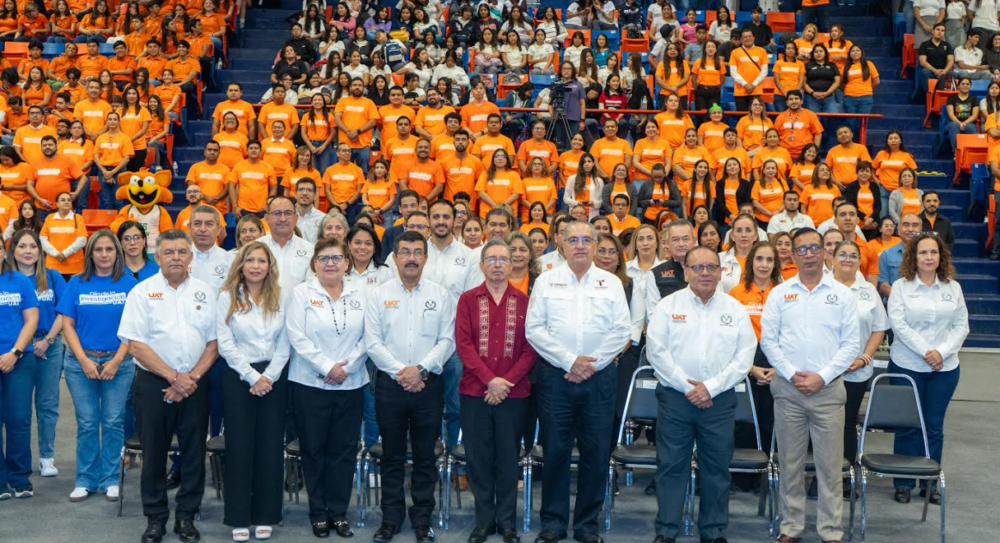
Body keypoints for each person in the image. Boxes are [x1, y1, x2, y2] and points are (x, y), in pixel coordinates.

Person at [525, 221, 630, 543]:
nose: (581, 245)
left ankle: (587, 524)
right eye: (574, 239)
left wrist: (590, 364)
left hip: (599, 380)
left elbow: (622, 330)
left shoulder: (610, 283)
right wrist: (570, 361)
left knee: (596, 453)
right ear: (562, 244)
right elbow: (534, 329)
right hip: (557, 378)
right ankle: (554, 523)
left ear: (596, 246)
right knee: (555, 451)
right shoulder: (546, 281)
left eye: (587, 239)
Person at [646, 244, 756, 543]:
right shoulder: (668, 306)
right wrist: (688, 386)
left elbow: (745, 356)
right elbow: (657, 352)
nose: (705, 273)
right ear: (685, 272)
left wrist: (711, 387)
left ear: (721, 272)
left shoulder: (734, 309)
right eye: (698, 267)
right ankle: (667, 531)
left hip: (719, 402)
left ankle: (713, 531)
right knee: (670, 467)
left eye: (711, 267)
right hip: (675, 400)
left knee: (717, 470)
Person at [117, 229, 219, 543]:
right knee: (154, 453)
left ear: (190, 257)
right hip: (152, 385)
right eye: (169, 252)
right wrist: (174, 377)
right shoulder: (142, 292)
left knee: (193, 453)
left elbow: (213, 344)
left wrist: (189, 379)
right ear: (157, 257)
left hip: (195, 383)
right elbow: (136, 345)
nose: (176, 257)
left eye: (181, 252)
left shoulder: (205, 291)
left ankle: (186, 517)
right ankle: (156, 518)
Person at [760, 228, 861, 543]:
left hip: (828, 392)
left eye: (813, 248)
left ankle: (830, 531)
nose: (807, 254)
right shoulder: (779, 293)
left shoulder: (842, 295)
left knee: (829, 468)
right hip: (789, 392)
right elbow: (769, 341)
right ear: (792, 255)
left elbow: (851, 344)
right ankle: (791, 527)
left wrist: (823, 376)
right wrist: (791, 374)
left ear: (824, 253)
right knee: (790, 464)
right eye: (800, 249)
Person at [364, 230, 454, 543]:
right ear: (395, 256)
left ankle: (422, 519)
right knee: (392, 456)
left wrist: (421, 369)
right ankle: (390, 519)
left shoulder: (440, 295)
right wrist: (402, 372)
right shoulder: (378, 294)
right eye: (405, 251)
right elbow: (372, 342)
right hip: (390, 385)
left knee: (425, 457)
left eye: (418, 252)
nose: (412, 257)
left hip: (428, 385)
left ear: (426, 258)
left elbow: (447, 340)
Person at [284, 237, 369, 539]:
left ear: (347, 262)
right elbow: (296, 335)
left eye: (336, 258)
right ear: (314, 264)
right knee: (314, 450)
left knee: (344, 452)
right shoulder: (301, 293)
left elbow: (370, 336)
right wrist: (326, 366)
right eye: (324, 258)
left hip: (351, 383)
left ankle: (339, 512)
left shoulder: (363, 293)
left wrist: (345, 368)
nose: (330, 263)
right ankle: (318, 513)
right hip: (309, 384)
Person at [456, 240, 536, 543]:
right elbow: (464, 346)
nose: (498, 264)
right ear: (482, 265)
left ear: (512, 264)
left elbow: (530, 350)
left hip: (513, 395)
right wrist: (490, 380)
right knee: (478, 460)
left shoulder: (525, 301)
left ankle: (506, 523)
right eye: (492, 259)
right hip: (475, 392)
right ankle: (484, 521)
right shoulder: (467, 300)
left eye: (504, 258)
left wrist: (504, 383)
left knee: (507, 459)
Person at [54, 229, 136, 503]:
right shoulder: (76, 282)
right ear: (90, 254)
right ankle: (85, 479)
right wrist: (84, 360)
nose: (103, 254)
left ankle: (111, 478)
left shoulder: (129, 284)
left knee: (113, 422)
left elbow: (133, 329)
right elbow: (68, 324)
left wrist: (115, 361)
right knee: (88, 422)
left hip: (119, 362)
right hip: (81, 363)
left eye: (109, 249)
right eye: (98, 249)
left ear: (117, 253)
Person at [886, 233, 968, 505]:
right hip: (907, 365)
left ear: (941, 256)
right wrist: (926, 352)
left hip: (944, 369)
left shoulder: (952, 288)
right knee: (908, 427)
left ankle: (930, 482)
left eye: (934, 252)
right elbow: (898, 324)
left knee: (933, 427)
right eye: (923, 252)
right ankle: (904, 482)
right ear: (914, 256)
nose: (929, 257)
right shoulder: (901, 286)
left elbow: (961, 326)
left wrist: (940, 353)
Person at [830, 239, 887, 499]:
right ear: (832, 258)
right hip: (825, 372)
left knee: (846, 422)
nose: (848, 259)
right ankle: (820, 476)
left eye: (854, 255)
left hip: (856, 370)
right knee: (819, 424)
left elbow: (879, 328)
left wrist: (864, 357)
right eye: (843, 254)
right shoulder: (820, 287)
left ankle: (844, 478)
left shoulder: (868, 290)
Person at [7, 229, 66, 480]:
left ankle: (46, 458)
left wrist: (48, 340)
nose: (28, 251)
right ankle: (17, 461)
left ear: (40, 251)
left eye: (33, 246)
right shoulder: (7, 279)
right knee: (17, 409)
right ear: (13, 251)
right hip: (17, 350)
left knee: (47, 404)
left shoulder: (52, 277)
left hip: (48, 347)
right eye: (22, 246)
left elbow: (64, 312)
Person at [0, 238, 40, 500]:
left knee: (19, 419)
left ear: (4, 252)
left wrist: (14, 352)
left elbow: (31, 319)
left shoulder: (21, 281)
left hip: (19, 359)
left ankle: (18, 475)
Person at [258, 196, 314, 295]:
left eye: (288, 213)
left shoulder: (310, 250)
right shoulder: (255, 248)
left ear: (296, 218)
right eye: (277, 213)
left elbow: (312, 288)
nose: (283, 219)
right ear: (267, 219)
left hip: (299, 308)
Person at [40, 192, 87, 280]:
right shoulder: (50, 218)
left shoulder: (78, 218)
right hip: (53, 265)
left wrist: (65, 254)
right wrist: (56, 254)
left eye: (69, 200)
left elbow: (82, 240)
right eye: (63, 200)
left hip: (75, 266)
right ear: (57, 204)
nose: (66, 202)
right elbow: (42, 239)